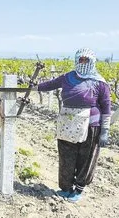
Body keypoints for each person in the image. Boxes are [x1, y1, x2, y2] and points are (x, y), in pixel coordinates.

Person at [37, 48, 111, 203]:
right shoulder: (67, 77)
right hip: (68, 123)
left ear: (92, 62)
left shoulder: (100, 82)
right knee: (66, 156)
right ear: (76, 60)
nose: (82, 63)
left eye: (86, 60)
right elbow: (50, 84)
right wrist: (32, 87)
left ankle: (79, 189)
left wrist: (105, 130)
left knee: (86, 158)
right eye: (80, 60)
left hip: (91, 126)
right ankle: (66, 188)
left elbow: (106, 108)